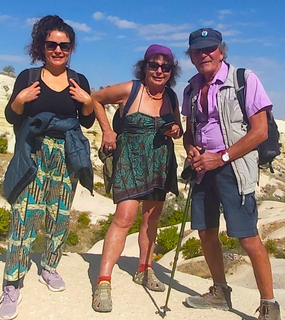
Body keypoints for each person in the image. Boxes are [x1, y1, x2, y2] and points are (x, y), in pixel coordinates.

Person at [0, 15, 95, 320]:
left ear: (71, 48)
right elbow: (12, 118)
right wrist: (19, 101)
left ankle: (50, 267)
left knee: (59, 214)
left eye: (64, 45)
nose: (58, 49)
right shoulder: (28, 78)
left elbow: (87, 120)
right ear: (42, 46)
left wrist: (88, 101)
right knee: (24, 213)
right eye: (52, 44)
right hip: (34, 152)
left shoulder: (78, 81)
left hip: (66, 154)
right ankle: (12, 282)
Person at [181, 28, 281, 320]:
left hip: (234, 168)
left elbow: (260, 131)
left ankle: (269, 305)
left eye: (210, 48)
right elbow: (190, 132)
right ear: (191, 56)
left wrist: (220, 157)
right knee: (206, 231)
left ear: (221, 51)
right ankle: (220, 292)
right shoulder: (190, 88)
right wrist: (191, 149)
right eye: (198, 50)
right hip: (202, 169)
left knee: (248, 237)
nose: (204, 54)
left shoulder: (243, 80)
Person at [91, 44, 182, 312]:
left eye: (165, 67)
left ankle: (145, 268)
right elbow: (95, 99)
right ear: (144, 67)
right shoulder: (130, 90)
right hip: (130, 162)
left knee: (150, 219)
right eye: (154, 65)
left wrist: (175, 131)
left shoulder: (171, 97)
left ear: (171, 71)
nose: (159, 70)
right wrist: (107, 131)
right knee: (124, 219)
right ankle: (103, 281)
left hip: (159, 164)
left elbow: (177, 127)